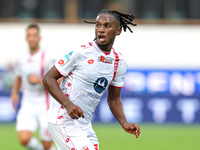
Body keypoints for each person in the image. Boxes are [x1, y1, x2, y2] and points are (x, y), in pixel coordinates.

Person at [43, 9, 141, 150]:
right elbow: (48, 78)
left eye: (107, 26)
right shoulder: (80, 52)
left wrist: (124, 122)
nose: (101, 30)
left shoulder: (119, 62)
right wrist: (68, 104)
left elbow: (114, 99)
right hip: (63, 119)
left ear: (118, 31)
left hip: (84, 124)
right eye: (98, 25)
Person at [11, 23, 57, 150]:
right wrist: (14, 94)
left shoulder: (47, 57)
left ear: (39, 38)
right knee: (24, 139)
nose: (32, 38)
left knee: (47, 145)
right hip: (28, 105)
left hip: (45, 105)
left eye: (35, 35)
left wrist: (39, 80)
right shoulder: (21, 58)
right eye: (29, 35)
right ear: (26, 38)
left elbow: (58, 81)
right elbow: (18, 77)